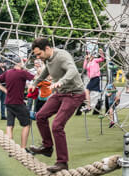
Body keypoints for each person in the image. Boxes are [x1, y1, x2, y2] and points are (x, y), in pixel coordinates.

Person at [28, 38, 86, 174]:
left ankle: (62, 162)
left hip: (74, 94)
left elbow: (73, 70)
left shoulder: (62, 56)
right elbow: (46, 71)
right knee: (40, 116)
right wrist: (35, 83)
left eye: (38, 54)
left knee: (57, 126)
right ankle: (47, 147)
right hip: (59, 94)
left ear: (47, 49)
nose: (37, 57)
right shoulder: (47, 59)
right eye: (36, 55)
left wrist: (61, 81)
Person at [0, 59, 33, 149]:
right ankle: (23, 148)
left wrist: (4, 90)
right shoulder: (22, 73)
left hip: (8, 102)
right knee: (26, 125)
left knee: (10, 125)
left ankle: (10, 149)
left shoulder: (8, 72)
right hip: (18, 103)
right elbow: (37, 78)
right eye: (23, 63)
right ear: (19, 63)